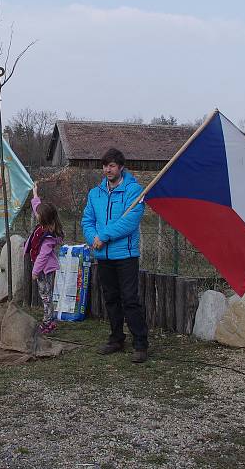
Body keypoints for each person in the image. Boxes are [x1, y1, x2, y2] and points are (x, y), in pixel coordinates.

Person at [81, 148, 149, 363]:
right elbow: (87, 220)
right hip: (103, 255)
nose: (107, 170)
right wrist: (94, 238)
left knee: (129, 299)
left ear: (120, 167)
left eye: (111, 166)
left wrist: (104, 236)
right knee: (111, 298)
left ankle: (140, 343)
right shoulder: (95, 193)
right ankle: (116, 338)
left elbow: (129, 221)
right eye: (105, 166)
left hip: (126, 255)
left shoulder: (133, 191)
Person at [25, 182, 64, 334]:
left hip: (44, 270)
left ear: (44, 219)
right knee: (45, 295)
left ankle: (48, 322)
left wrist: (35, 272)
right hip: (42, 268)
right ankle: (50, 320)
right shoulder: (45, 223)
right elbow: (37, 207)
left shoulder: (47, 237)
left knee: (46, 295)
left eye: (39, 216)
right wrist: (35, 194)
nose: (37, 215)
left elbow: (42, 257)